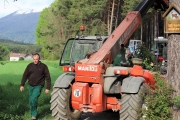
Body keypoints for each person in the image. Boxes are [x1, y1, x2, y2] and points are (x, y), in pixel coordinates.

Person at [20, 53, 51, 120]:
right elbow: (25, 75)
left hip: (38, 85)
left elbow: (48, 77)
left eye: (36, 59)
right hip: (31, 85)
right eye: (34, 59)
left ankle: (34, 115)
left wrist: (48, 87)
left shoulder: (43, 66)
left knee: (33, 99)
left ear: (39, 59)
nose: (35, 61)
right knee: (31, 101)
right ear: (33, 59)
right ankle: (32, 113)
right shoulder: (29, 66)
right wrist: (22, 85)